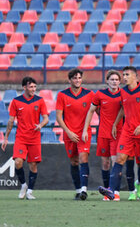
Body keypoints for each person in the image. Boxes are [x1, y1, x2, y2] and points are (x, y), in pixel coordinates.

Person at [98, 66, 140, 201]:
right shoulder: (123, 92)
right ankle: (111, 191)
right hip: (128, 131)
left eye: (127, 75)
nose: (124, 77)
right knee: (119, 159)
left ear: (135, 77)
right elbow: (123, 109)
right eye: (123, 74)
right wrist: (115, 123)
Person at [1, 77, 48, 200]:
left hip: (35, 138)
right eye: (31, 87)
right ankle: (23, 185)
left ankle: (30, 192)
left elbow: (46, 118)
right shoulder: (16, 101)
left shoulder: (40, 101)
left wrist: (41, 125)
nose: (33, 89)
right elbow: (11, 121)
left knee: (33, 165)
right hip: (21, 138)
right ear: (24, 87)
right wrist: (6, 138)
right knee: (18, 162)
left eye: (34, 87)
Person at [82, 70, 123, 201]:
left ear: (119, 82)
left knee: (115, 161)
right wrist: (84, 130)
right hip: (103, 133)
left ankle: (115, 191)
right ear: (107, 81)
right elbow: (91, 111)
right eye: (112, 79)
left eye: (117, 79)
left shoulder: (123, 94)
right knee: (105, 163)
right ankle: (107, 192)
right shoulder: (100, 94)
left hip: (118, 133)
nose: (114, 82)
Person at [56, 68, 94, 200]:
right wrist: (68, 132)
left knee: (84, 158)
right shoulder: (62, 95)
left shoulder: (89, 94)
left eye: (79, 78)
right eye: (75, 78)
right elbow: (59, 117)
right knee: (74, 162)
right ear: (70, 80)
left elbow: (97, 110)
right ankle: (78, 190)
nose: (77, 80)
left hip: (84, 133)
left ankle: (84, 190)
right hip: (69, 133)